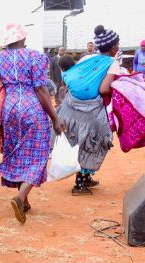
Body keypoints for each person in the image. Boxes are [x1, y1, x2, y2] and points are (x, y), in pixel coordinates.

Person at [0, 23, 65, 224]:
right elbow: (41, 89)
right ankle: (20, 197)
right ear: (21, 39)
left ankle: (25, 202)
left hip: (9, 109)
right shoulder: (35, 57)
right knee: (39, 154)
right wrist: (55, 118)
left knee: (17, 152)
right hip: (32, 108)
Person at [58, 25, 120, 195]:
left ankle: (87, 178)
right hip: (91, 110)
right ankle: (79, 185)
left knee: (81, 142)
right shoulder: (112, 64)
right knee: (94, 142)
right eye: (118, 45)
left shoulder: (87, 58)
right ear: (114, 47)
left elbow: (75, 78)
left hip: (71, 108)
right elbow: (104, 89)